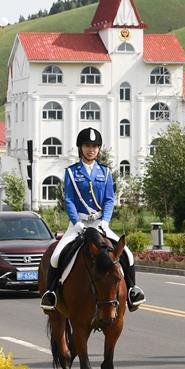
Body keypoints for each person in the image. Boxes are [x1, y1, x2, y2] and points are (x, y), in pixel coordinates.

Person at [40, 127, 145, 313]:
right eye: (88, 145)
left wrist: (105, 220)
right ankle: (51, 294)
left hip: (99, 223)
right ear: (81, 148)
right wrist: (77, 222)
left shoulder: (104, 173)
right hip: (78, 223)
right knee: (56, 256)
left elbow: (110, 199)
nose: (92, 150)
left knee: (126, 253)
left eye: (95, 146)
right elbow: (70, 200)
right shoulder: (72, 172)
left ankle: (132, 291)